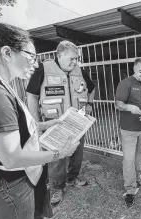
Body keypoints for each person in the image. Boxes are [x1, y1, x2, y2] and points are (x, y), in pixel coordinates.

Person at [0, 23, 79, 219]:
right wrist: (60, 153)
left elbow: (16, 130)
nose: (36, 63)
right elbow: (11, 158)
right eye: (31, 56)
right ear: (6, 53)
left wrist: (52, 123)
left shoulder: (2, 87)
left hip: (19, 182)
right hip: (10, 188)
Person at [26, 40, 96, 205]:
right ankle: (58, 186)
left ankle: (73, 177)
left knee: (77, 153)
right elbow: (32, 95)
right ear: (59, 55)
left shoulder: (80, 71)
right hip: (54, 123)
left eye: (76, 58)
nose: (75, 62)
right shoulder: (44, 68)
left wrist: (90, 105)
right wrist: (36, 123)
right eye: (72, 58)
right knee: (58, 157)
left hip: (77, 121)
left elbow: (92, 88)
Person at [115, 58, 141, 207]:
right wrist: (129, 107)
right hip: (129, 129)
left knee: (139, 156)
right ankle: (130, 189)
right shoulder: (126, 83)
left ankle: (138, 177)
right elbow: (118, 104)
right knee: (129, 159)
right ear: (134, 70)